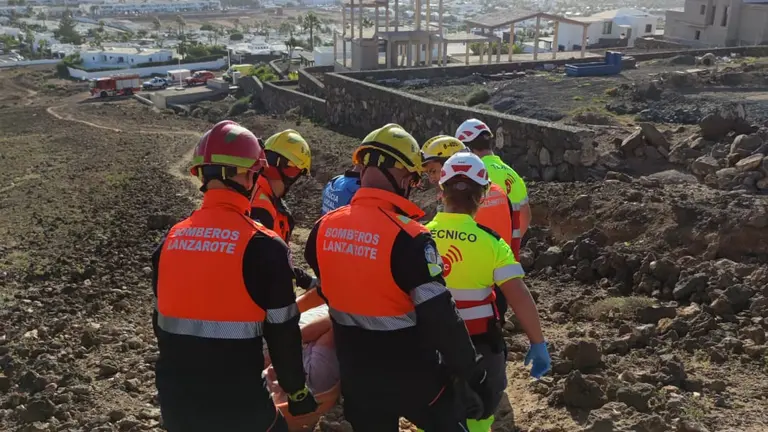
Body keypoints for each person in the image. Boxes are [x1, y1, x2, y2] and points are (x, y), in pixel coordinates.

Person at [303, 123, 493, 431]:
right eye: (414, 180)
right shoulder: (410, 238)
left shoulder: (321, 229)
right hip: (415, 378)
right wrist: (474, 375)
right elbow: (442, 319)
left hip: (358, 380)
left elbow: (331, 287)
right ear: (403, 177)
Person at [151, 120, 318, 432]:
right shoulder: (264, 247)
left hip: (177, 406)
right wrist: (297, 393)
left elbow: (162, 326)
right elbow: (283, 335)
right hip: (238, 408)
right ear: (247, 174)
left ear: (200, 174)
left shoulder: (169, 242)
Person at [425, 152, 551, 432]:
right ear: (482, 195)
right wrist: (538, 342)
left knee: (432, 418)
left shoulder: (419, 237)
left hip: (429, 347)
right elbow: (518, 296)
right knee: (478, 418)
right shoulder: (493, 243)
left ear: (440, 191)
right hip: (479, 348)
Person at [421, 135, 518, 330]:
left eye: (433, 170)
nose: (430, 177)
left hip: (462, 307)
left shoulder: (457, 210)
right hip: (496, 286)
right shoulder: (496, 192)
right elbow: (514, 231)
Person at [250, 129, 317, 291]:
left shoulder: (260, 195)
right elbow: (263, 270)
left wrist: (304, 279)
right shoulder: (260, 209)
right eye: (295, 172)